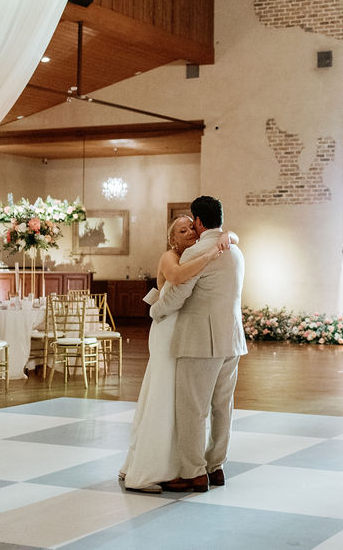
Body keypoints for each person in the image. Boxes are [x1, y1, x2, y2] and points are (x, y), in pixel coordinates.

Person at [120, 214, 234, 492]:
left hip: (184, 329)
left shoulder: (196, 252)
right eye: (182, 230)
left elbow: (228, 237)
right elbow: (177, 277)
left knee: (178, 399)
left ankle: (174, 464)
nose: (189, 233)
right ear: (172, 238)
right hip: (167, 327)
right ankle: (151, 469)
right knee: (164, 393)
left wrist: (227, 237)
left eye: (191, 228)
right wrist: (209, 255)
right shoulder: (170, 257)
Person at [153, 195, 245, 493]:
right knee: (223, 408)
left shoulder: (197, 252)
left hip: (199, 342)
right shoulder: (235, 250)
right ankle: (215, 466)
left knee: (193, 408)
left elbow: (176, 295)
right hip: (231, 339)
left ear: (199, 221)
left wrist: (155, 310)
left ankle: (193, 472)